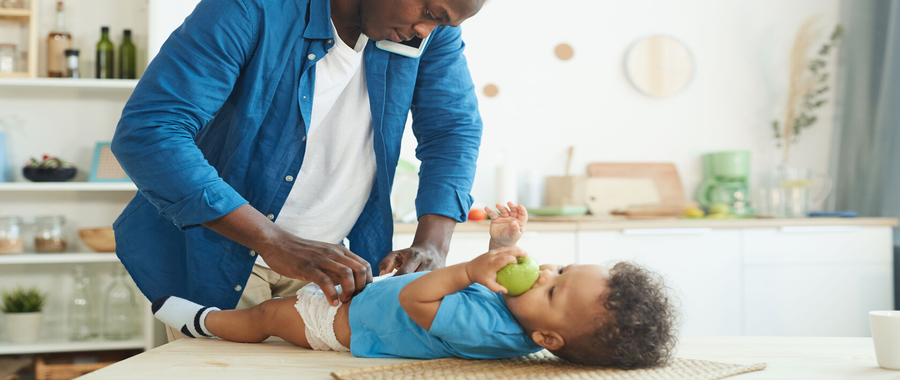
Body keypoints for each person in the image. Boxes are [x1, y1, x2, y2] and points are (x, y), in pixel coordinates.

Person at [110, 0, 493, 338]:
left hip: (335, 267)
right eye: (429, 14)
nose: (426, 32)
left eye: (442, 25)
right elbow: (150, 132)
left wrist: (433, 244)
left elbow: (452, 129)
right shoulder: (250, 4)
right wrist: (276, 242)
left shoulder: (426, 35)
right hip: (222, 259)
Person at [151, 203, 679, 368]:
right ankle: (211, 318)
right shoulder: (519, 308)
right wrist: (498, 242)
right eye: (560, 269)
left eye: (554, 291)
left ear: (547, 340)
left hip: (341, 326)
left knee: (266, 318)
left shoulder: (490, 329)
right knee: (277, 302)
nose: (543, 274)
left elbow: (417, 296)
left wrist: (472, 269)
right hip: (361, 302)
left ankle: (206, 324)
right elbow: (479, 279)